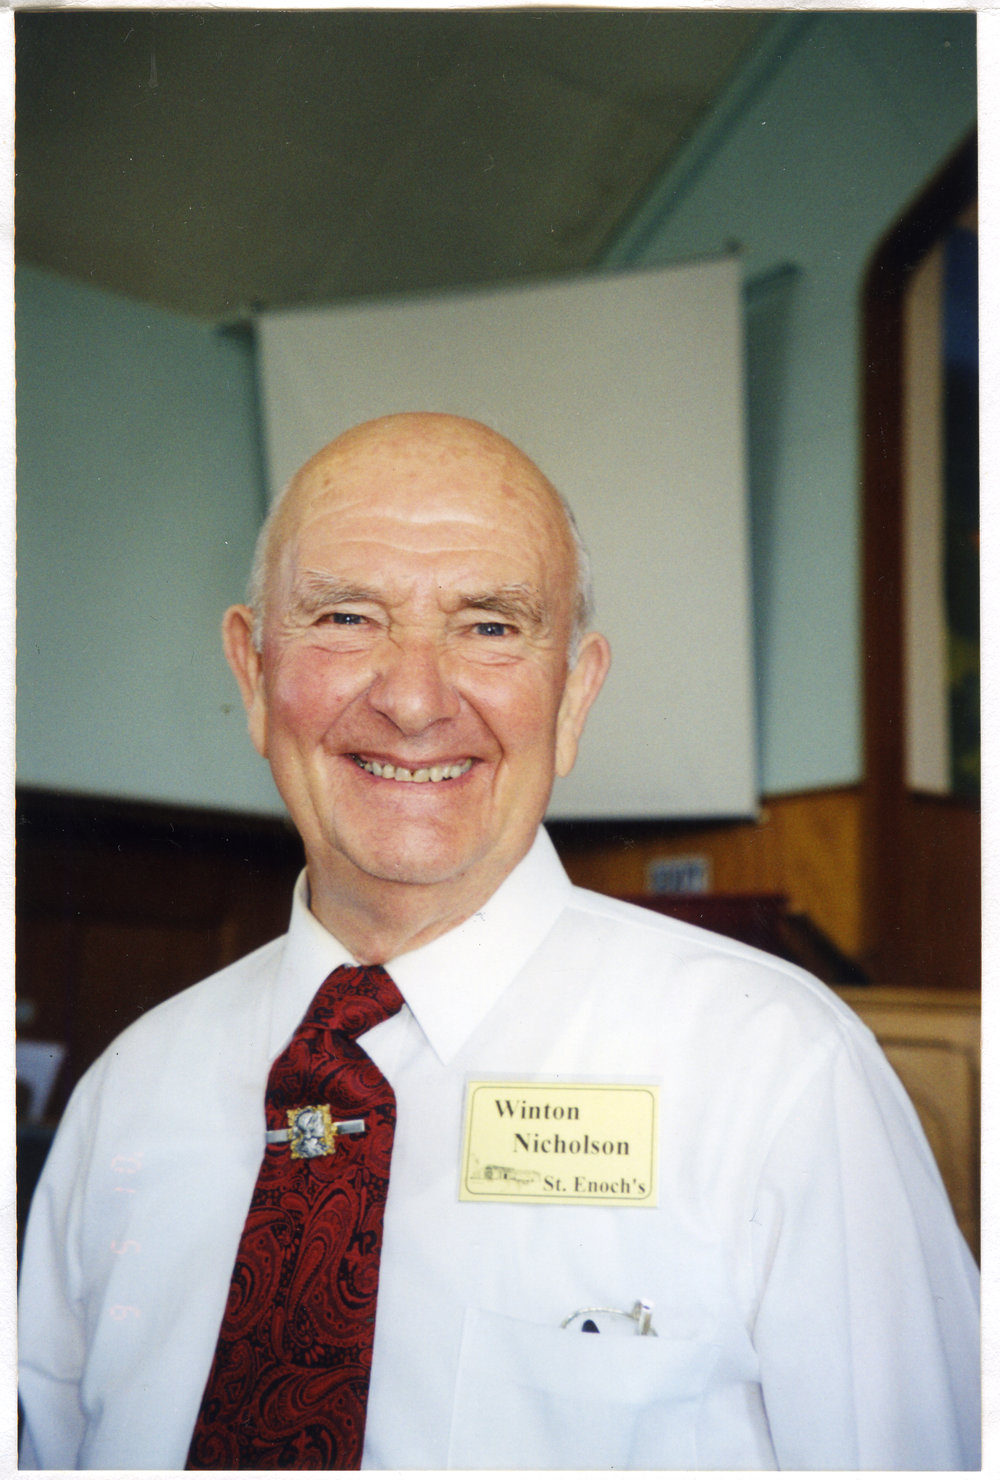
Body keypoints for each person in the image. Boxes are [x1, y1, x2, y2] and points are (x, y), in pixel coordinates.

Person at [19, 413, 979, 1469]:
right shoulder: (126, 1093)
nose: (414, 698)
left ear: (573, 693)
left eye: (488, 626)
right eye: (345, 616)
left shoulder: (781, 1075)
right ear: (252, 673)